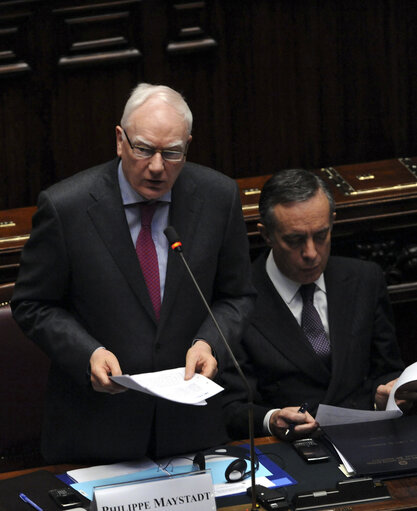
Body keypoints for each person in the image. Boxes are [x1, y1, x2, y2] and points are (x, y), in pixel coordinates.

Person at [11, 83, 255, 463]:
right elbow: (33, 304)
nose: (157, 167)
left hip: (190, 429)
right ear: (120, 140)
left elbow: (237, 295)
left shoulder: (218, 198)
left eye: (172, 153)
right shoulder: (66, 207)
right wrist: (87, 352)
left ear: (188, 146)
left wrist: (210, 344)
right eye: (143, 149)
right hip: (96, 429)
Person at [222, 168, 406, 441]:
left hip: (365, 438)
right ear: (267, 235)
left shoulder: (364, 279)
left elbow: (387, 369)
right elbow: (231, 407)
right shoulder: (237, 298)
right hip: (287, 449)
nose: (311, 253)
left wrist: (388, 395)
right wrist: (271, 419)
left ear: (332, 222)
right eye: (295, 240)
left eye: (321, 236)